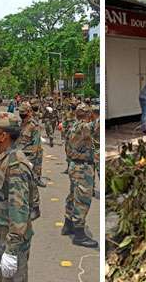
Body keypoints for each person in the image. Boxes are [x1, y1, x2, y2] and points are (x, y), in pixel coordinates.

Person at [0, 111, 39, 281]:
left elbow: (19, 210)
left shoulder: (15, 165)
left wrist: (11, 250)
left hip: (11, 236)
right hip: (2, 230)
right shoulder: (5, 157)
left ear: (3, 135)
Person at [62, 104, 99, 248]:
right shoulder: (83, 127)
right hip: (82, 167)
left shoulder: (73, 126)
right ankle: (79, 234)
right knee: (82, 200)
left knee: (73, 195)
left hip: (74, 165)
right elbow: (97, 126)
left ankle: (68, 224)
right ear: (89, 114)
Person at [17, 101, 46, 188]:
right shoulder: (21, 123)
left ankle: (37, 179)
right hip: (22, 151)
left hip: (32, 153)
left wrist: (30, 159)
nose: (22, 114)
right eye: (20, 112)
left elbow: (36, 145)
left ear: (29, 112)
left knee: (35, 171)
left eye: (24, 112)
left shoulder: (33, 125)